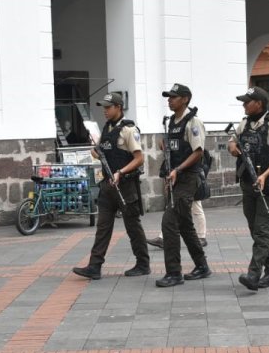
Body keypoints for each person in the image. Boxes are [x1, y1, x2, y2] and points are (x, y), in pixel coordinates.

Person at [72, 92, 151, 280]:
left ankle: (143, 263)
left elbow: (139, 158)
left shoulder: (129, 130)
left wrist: (121, 172)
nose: (105, 111)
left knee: (132, 226)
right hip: (108, 185)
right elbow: (101, 151)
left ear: (118, 107)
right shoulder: (106, 128)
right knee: (103, 227)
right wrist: (96, 152)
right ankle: (94, 266)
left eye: (108, 107)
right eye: (104, 108)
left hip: (125, 185)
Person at [228, 86, 269, 291]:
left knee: (262, 230)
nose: (244, 105)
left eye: (247, 101)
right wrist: (233, 148)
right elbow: (232, 142)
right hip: (247, 183)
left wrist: (264, 175)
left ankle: (254, 274)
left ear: (259, 104)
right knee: (256, 229)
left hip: (267, 186)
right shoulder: (245, 123)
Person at [154, 84, 211, 288]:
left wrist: (178, 170)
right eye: (168, 97)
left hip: (188, 178)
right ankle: (202, 266)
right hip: (176, 177)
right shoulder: (171, 122)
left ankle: (174, 273)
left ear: (185, 99)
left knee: (169, 222)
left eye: (174, 97)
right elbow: (173, 148)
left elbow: (198, 152)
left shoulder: (193, 122)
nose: (169, 100)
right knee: (185, 225)